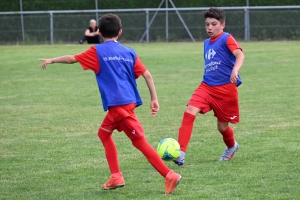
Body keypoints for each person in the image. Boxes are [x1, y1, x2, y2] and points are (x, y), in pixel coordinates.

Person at [39, 13, 181, 195]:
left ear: (99, 32)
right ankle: (116, 176)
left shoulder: (96, 52)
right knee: (103, 134)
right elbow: (147, 74)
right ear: (120, 32)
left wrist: (51, 60)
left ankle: (169, 175)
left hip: (119, 107)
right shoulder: (129, 52)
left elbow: (71, 59)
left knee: (139, 142)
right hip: (126, 103)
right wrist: (154, 98)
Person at [174, 7, 245, 166]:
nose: (210, 28)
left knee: (222, 127)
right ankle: (180, 153)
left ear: (222, 25)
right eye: (207, 24)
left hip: (226, 89)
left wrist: (235, 69)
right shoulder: (206, 43)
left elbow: (240, 54)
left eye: (214, 24)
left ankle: (232, 146)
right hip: (206, 86)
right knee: (189, 111)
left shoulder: (227, 38)